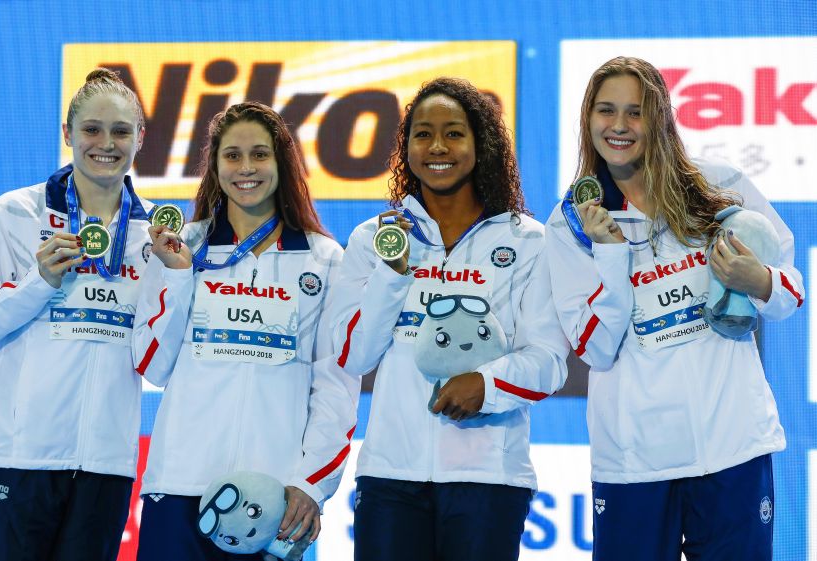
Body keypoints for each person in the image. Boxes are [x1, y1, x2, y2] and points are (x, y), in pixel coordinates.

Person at [545, 56, 805, 561]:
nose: (619, 126)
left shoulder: (717, 185)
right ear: (587, 119)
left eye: (636, 112)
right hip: (634, 461)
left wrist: (759, 280)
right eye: (606, 111)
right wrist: (613, 253)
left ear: (661, 117)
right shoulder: (572, 222)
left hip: (731, 446)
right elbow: (595, 349)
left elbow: (791, 292)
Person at [330, 77, 568, 561]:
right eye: (422, 134)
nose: (438, 146)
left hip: (488, 479)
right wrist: (392, 276)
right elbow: (352, 355)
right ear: (406, 148)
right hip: (390, 476)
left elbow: (549, 361)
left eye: (454, 133)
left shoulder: (529, 242)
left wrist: (487, 385)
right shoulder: (373, 239)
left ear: (481, 145)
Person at [132, 101, 359, 561]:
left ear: (282, 162)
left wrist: (310, 483)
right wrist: (176, 275)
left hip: (271, 501)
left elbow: (336, 388)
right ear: (215, 166)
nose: (246, 168)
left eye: (260, 154)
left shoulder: (326, 260)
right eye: (232, 156)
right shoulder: (183, 247)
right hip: (179, 485)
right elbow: (153, 365)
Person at [0, 68, 153, 561]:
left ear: (140, 138)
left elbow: (156, 353)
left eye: (121, 131)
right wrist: (39, 283)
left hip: (106, 466)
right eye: (92, 129)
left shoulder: (154, 239)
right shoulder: (14, 214)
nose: (106, 143)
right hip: (18, 458)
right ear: (67, 134)